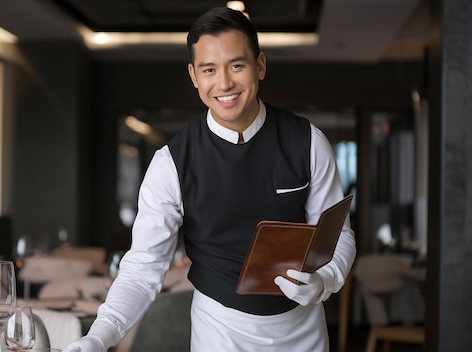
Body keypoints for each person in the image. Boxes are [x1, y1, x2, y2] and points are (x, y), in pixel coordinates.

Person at [64, 6, 356, 352]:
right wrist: (100, 336)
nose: (225, 83)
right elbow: (142, 268)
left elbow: (340, 237)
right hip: (220, 331)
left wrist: (324, 280)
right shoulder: (171, 163)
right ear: (194, 76)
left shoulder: (308, 142)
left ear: (259, 65)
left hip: (303, 332)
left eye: (237, 65)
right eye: (209, 70)